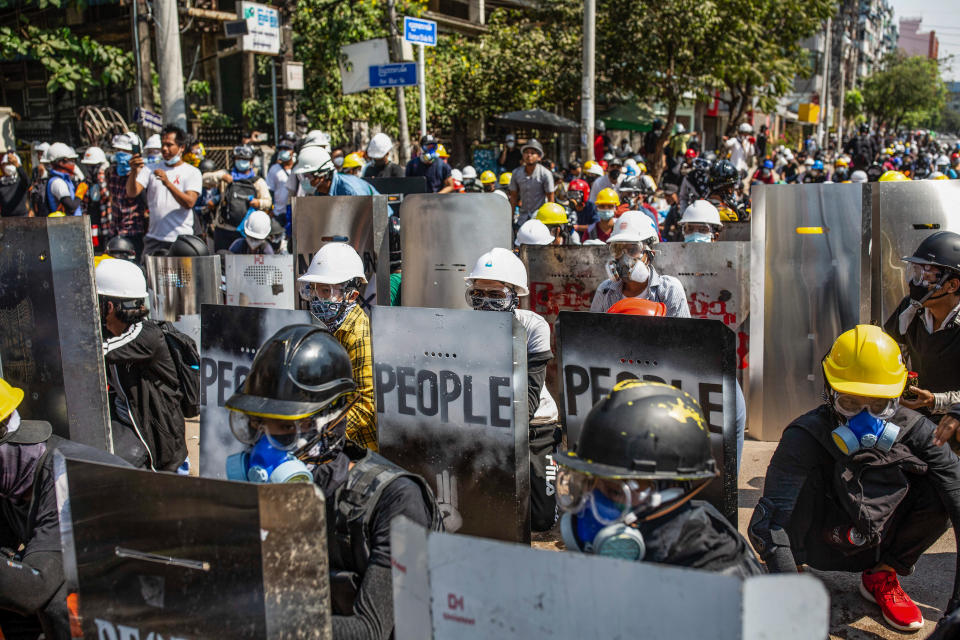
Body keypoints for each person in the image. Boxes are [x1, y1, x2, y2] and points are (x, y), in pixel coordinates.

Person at [224, 324, 440, 638]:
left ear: (332, 421)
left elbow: (370, 630)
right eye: (259, 426)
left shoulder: (398, 500)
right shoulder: (275, 493)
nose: (263, 447)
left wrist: (259, 625)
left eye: (284, 430)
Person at [748, 325, 960, 632]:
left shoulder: (920, 434)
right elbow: (772, 523)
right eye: (850, 403)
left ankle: (883, 573)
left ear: (896, 398)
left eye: (879, 406)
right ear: (829, 392)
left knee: (943, 490)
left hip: (878, 541)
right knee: (784, 501)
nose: (864, 418)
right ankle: (792, 570)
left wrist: (954, 615)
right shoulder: (804, 435)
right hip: (817, 542)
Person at [556, 379, 762, 574]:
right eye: (587, 484)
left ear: (668, 496)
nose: (591, 504)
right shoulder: (644, 559)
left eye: (614, 491)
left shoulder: (718, 583)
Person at [0, 377, 128, 639]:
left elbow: (35, 586)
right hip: (92, 571)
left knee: (56, 602)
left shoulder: (65, 477)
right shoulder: (14, 475)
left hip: (140, 584)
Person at [464, 248, 561, 531]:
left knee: (541, 520)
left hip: (535, 426)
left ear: (514, 296)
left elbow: (529, 396)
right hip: (485, 424)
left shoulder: (532, 326)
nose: (485, 303)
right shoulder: (464, 327)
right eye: (478, 294)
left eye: (496, 296)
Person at [96, 259, 187, 471]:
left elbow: (94, 351)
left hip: (158, 437)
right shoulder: (116, 333)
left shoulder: (144, 335)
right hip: (132, 426)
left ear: (108, 306)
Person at [883, 232, 960, 450]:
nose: (915, 282)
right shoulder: (911, 309)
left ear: (951, 285)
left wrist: (934, 401)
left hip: (951, 420)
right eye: (916, 272)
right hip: (912, 416)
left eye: (925, 274)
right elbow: (889, 352)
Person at [297, 243, 376, 451]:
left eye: (325, 290)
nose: (317, 298)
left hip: (355, 447)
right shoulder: (327, 326)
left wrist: (324, 436)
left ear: (352, 295)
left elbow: (366, 405)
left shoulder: (358, 333)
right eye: (313, 289)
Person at [589, 210, 690, 317]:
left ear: (651, 254)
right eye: (617, 249)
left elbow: (680, 333)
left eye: (632, 250)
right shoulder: (605, 291)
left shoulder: (669, 290)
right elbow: (593, 331)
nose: (623, 258)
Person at [127, 124, 202, 256]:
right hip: (154, 239)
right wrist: (133, 171)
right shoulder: (150, 168)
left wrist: (168, 183)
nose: (164, 149)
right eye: (163, 144)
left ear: (181, 147)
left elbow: (189, 203)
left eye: (169, 145)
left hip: (181, 239)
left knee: (182, 276)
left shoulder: (192, 172)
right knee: (150, 275)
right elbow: (132, 192)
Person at [206, 144, 272, 252]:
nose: (241, 161)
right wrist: (221, 177)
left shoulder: (257, 181)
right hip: (223, 229)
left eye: (245, 159)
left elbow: (268, 202)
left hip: (246, 232)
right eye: (239, 159)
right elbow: (204, 179)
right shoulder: (226, 175)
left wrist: (258, 203)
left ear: (251, 161)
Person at [104, 133, 147, 259]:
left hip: (133, 230)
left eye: (125, 151)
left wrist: (135, 171)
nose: (120, 153)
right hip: (115, 229)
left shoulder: (142, 174)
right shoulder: (111, 171)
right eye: (118, 150)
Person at [294, 147, 379, 200]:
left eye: (308, 176)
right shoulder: (319, 191)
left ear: (322, 175)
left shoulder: (350, 191)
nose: (305, 180)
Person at [508, 139, 555, 224]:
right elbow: (513, 197)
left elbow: (550, 200)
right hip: (522, 217)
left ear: (539, 157)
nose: (529, 155)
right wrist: (510, 219)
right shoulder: (516, 173)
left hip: (539, 218)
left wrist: (550, 222)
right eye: (526, 152)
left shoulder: (545, 174)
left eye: (532, 153)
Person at [44, 143, 82, 217]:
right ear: (61, 163)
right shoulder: (57, 182)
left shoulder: (66, 180)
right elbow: (71, 207)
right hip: (64, 226)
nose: (73, 164)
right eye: (70, 161)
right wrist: (80, 192)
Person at [267, 140, 296, 212]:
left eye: (286, 149)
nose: (282, 151)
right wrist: (271, 210)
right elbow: (270, 191)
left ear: (292, 152)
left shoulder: (298, 168)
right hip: (278, 212)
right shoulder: (274, 169)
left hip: (296, 212)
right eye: (280, 149)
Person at [0, 151, 30, 217]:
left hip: (22, 217)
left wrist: (17, 165)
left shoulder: (20, 181)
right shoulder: (1, 183)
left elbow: (27, 181)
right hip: (6, 219)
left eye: (11, 164)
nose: (9, 166)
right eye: (7, 164)